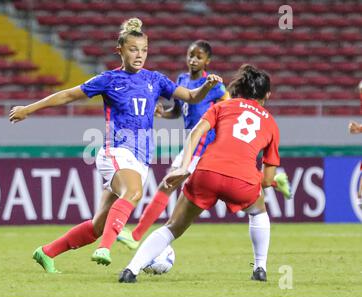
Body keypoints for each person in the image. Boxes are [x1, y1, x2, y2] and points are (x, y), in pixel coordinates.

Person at [9, 17, 224, 272]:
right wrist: (29, 109)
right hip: (116, 151)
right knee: (132, 194)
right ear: (119, 50)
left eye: (144, 50)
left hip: (141, 158)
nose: (139, 55)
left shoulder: (155, 79)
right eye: (133, 49)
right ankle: (106, 249)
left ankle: (47, 252)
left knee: (98, 226)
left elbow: (190, 96)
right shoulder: (109, 80)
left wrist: (206, 85)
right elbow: (68, 94)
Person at [116, 42, 291, 250]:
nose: (193, 60)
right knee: (168, 184)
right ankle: (273, 180)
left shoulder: (214, 85)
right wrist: (164, 113)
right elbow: (180, 112)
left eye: (199, 57)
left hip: (206, 142)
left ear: (207, 61)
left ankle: (136, 235)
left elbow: (232, 107)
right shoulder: (182, 80)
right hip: (192, 137)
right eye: (191, 55)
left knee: (167, 183)